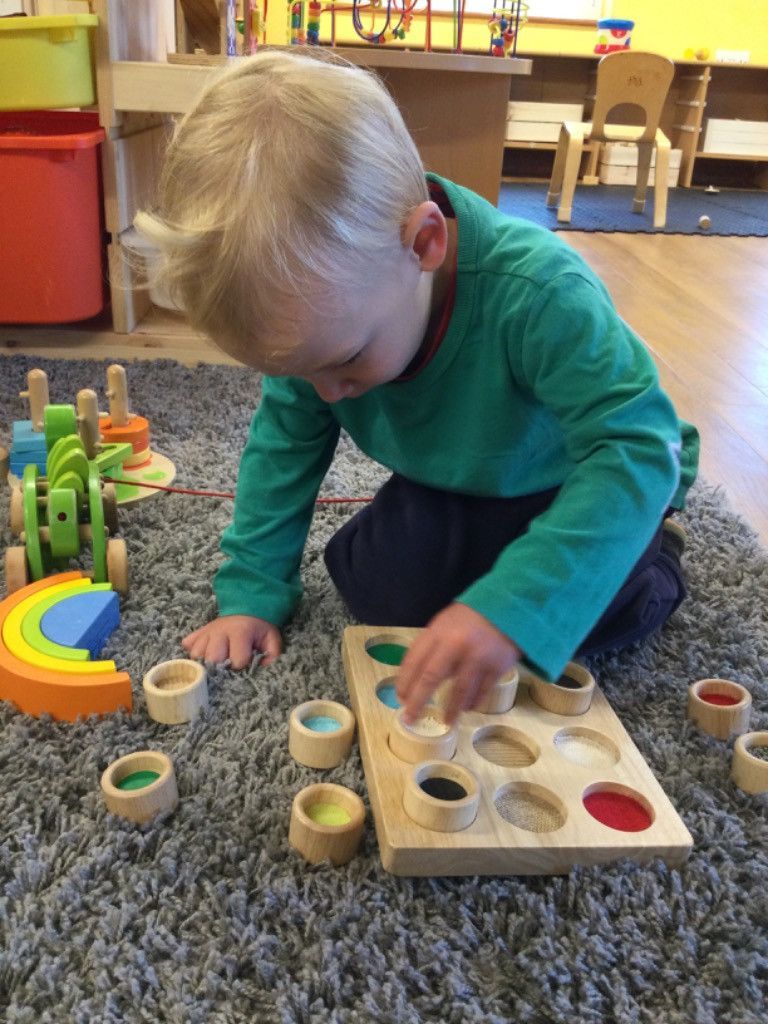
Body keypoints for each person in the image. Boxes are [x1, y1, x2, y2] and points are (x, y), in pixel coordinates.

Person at [135, 49, 699, 725]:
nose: (329, 394)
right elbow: (282, 449)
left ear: (425, 243)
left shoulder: (543, 295)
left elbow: (635, 449)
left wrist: (513, 610)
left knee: (557, 620)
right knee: (387, 598)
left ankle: (656, 562)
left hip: (579, 480)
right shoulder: (329, 331)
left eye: (344, 361)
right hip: (455, 477)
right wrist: (252, 590)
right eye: (297, 374)